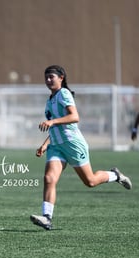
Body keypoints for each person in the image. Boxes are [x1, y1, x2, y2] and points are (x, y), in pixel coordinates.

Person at [30, 65, 132, 230]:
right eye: (46, 77)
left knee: (90, 181)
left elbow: (74, 117)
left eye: (51, 77)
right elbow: (57, 127)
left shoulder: (64, 93)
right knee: (49, 179)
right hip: (56, 146)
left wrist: (51, 122)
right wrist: (45, 144)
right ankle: (47, 217)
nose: (48, 80)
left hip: (73, 144)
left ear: (61, 77)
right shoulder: (50, 100)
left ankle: (114, 175)